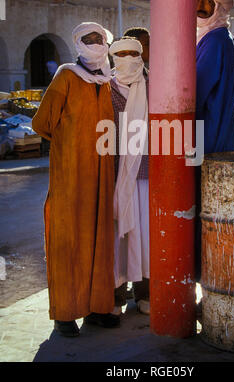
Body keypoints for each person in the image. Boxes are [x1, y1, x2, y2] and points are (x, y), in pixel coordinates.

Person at [32, 22, 120, 337]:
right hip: (70, 176)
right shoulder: (66, 76)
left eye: (100, 38)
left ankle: (97, 308)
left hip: (103, 174)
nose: (95, 43)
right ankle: (65, 313)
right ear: (77, 43)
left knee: (100, 239)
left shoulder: (111, 81)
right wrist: (71, 144)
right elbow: (42, 123)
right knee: (67, 242)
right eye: (89, 38)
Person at [195, 0, 234, 283]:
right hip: (219, 133)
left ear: (219, 7)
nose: (198, 9)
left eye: (204, 5)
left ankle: (204, 277)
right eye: (195, 3)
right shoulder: (218, 38)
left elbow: (194, 92)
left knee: (203, 211)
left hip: (208, 136)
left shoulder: (216, 41)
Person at [109, 37, 150, 316]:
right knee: (117, 238)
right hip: (114, 172)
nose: (127, 59)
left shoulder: (154, 84)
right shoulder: (103, 87)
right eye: (121, 54)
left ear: (141, 55)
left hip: (147, 172)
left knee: (145, 238)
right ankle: (115, 296)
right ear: (113, 58)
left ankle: (145, 293)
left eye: (132, 54)